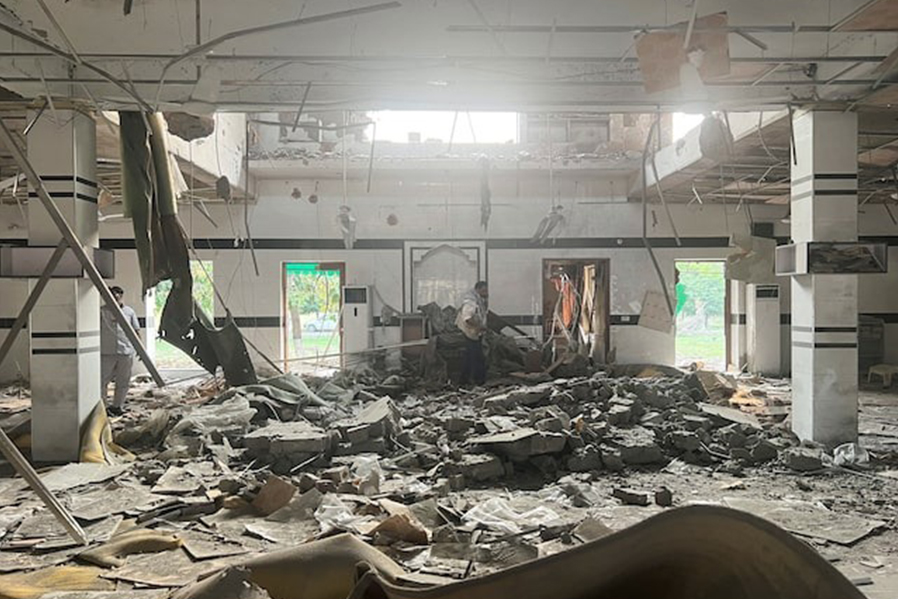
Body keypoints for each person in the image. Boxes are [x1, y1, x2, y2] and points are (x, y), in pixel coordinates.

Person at [100, 286, 141, 416]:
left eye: (117, 296)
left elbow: (136, 331)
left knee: (123, 380)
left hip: (126, 351)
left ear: (121, 296)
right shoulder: (101, 312)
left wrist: (140, 348)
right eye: (111, 296)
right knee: (102, 380)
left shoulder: (129, 312)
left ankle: (117, 406)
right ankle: (102, 407)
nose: (114, 299)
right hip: (106, 352)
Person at [456, 281, 489, 385]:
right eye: (484, 290)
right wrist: (480, 327)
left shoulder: (478, 300)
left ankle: (465, 380)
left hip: (474, 333)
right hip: (469, 334)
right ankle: (478, 381)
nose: (486, 292)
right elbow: (468, 319)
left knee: (470, 358)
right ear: (478, 290)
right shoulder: (470, 302)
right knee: (477, 358)